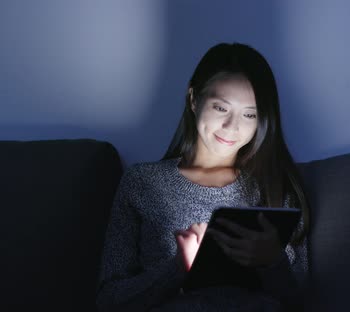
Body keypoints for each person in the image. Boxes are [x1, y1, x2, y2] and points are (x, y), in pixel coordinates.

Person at [96, 43, 310, 311]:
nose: (233, 126)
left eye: (250, 114)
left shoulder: (275, 187)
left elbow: (301, 300)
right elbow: (109, 300)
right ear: (194, 99)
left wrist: (273, 262)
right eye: (221, 108)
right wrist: (178, 269)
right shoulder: (142, 182)